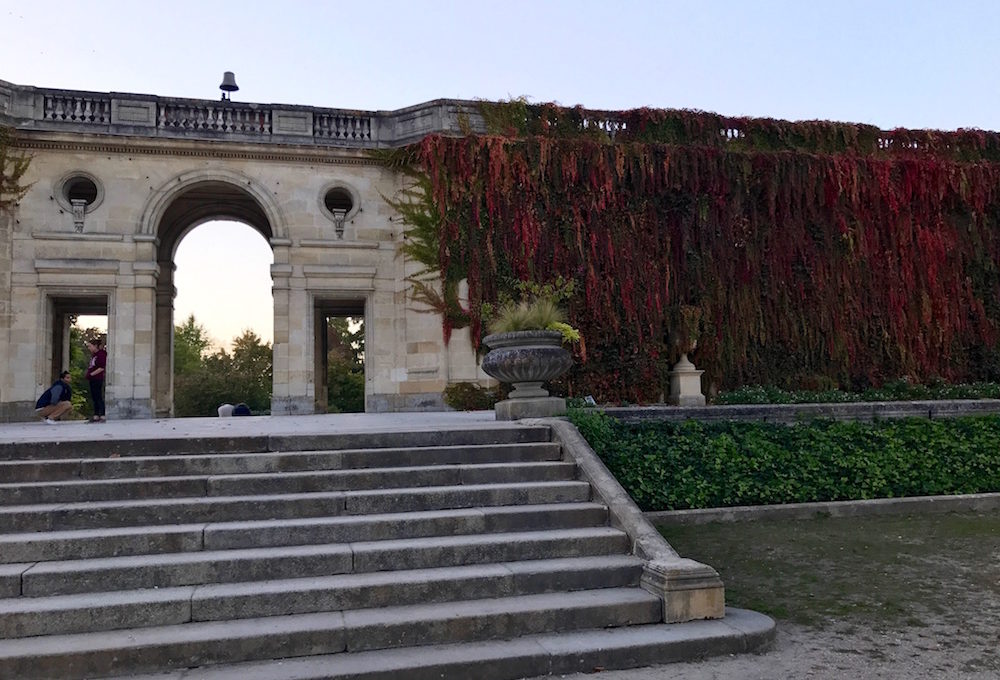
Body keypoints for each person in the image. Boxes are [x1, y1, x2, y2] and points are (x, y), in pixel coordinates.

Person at [85, 338, 107, 423]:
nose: (89, 348)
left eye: (90, 346)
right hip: (92, 378)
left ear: (95, 346)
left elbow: (101, 367)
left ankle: (102, 415)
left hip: (97, 378)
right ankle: (96, 415)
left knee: (98, 397)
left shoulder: (101, 354)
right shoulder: (94, 355)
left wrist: (91, 374)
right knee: (94, 397)